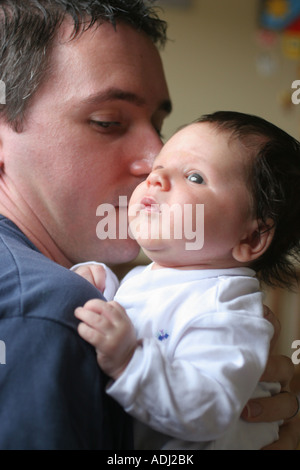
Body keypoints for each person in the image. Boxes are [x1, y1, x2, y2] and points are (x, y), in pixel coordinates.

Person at [0, 0, 298, 450]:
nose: (153, 161)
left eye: (159, 125)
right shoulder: (45, 312)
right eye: (109, 121)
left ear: (254, 236)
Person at [74, 111, 300, 449]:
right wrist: (103, 285)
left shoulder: (228, 309)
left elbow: (209, 409)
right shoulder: (152, 278)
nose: (156, 179)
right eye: (157, 169)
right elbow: (142, 312)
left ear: (251, 238)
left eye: (194, 177)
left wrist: (129, 362)